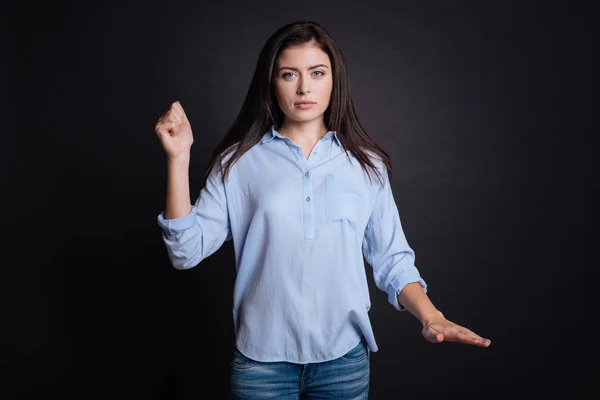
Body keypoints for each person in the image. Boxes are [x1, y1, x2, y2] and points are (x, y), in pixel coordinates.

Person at [154, 20, 491, 399]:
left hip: (343, 362)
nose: (304, 87)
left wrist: (432, 317)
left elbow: (392, 260)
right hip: (262, 365)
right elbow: (185, 252)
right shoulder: (238, 163)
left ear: (334, 80)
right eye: (288, 74)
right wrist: (178, 159)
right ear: (271, 83)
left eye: (316, 73)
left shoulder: (367, 165)